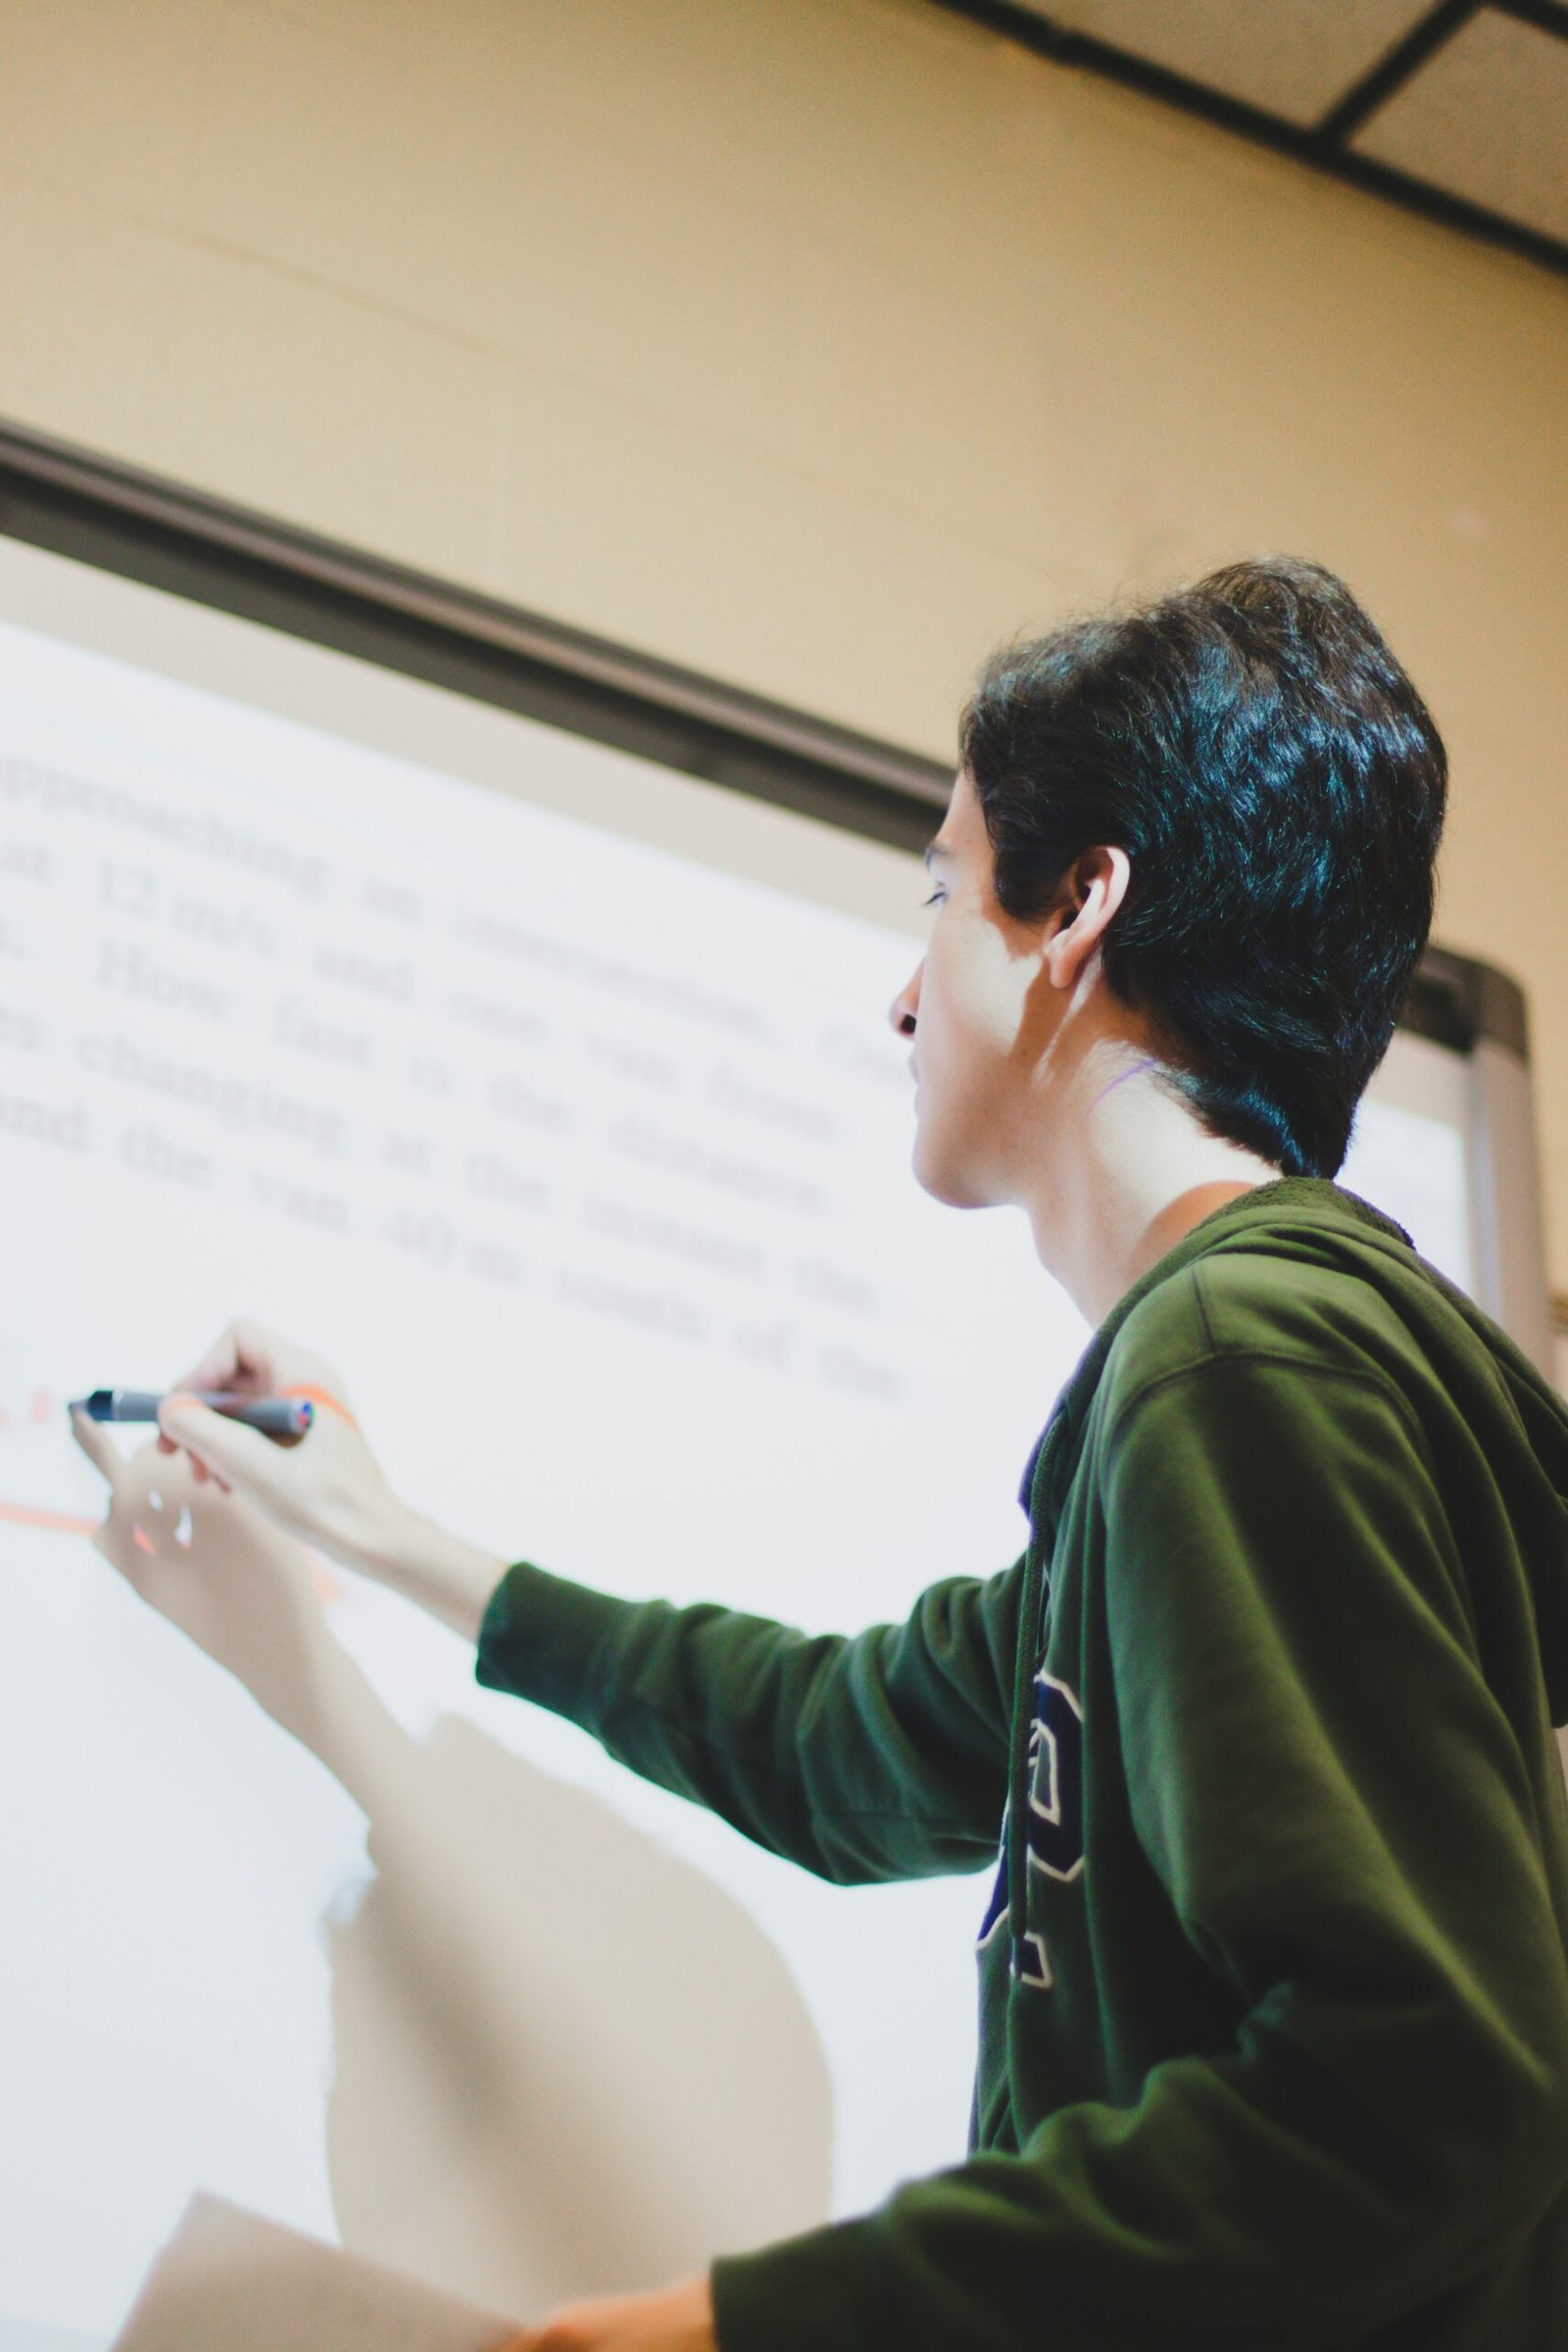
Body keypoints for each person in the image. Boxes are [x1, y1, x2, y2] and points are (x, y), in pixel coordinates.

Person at [114, 558, 1568, 2350]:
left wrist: (746, 2326)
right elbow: (832, 1746)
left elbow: (1422, 2093)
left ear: (1075, 911)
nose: (901, 996)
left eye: (944, 891)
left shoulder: (1238, 1362)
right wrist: (393, 1537)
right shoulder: (1228, 1390)